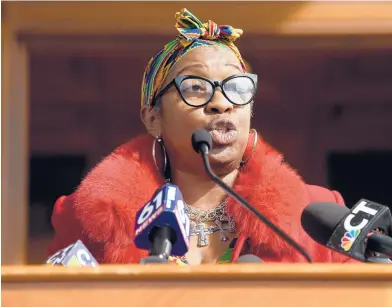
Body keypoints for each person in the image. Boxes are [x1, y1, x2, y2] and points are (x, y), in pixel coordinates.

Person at [47, 8, 356, 265]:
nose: (221, 103)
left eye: (236, 87)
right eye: (196, 87)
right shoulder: (89, 221)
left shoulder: (317, 215)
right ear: (153, 118)